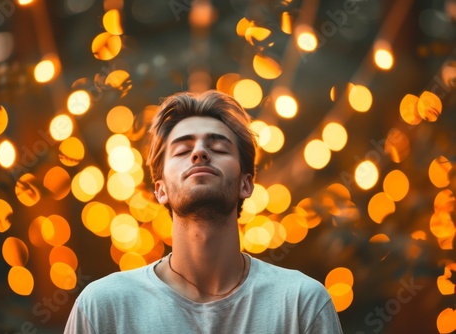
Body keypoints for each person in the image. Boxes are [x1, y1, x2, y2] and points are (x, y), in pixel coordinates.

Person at [63, 90, 343, 333]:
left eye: (218, 147)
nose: (199, 152)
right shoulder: (103, 307)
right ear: (160, 190)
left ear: (246, 185)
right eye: (183, 149)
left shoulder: (301, 304)